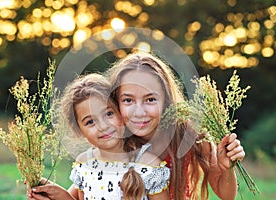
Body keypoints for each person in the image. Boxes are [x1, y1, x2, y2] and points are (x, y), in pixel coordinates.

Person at [106, 51, 245, 200]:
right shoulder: (111, 142)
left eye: (150, 99)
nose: (139, 112)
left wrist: (227, 170)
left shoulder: (191, 134)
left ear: (166, 100)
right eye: (128, 100)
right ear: (116, 102)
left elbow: (226, 195)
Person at [28, 73, 170, 200]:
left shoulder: (149, 166)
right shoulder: (85, 164)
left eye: (109, 114)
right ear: (79, 131)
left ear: (120, 112)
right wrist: (58, 195)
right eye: (90, 122)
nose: (103, 126)